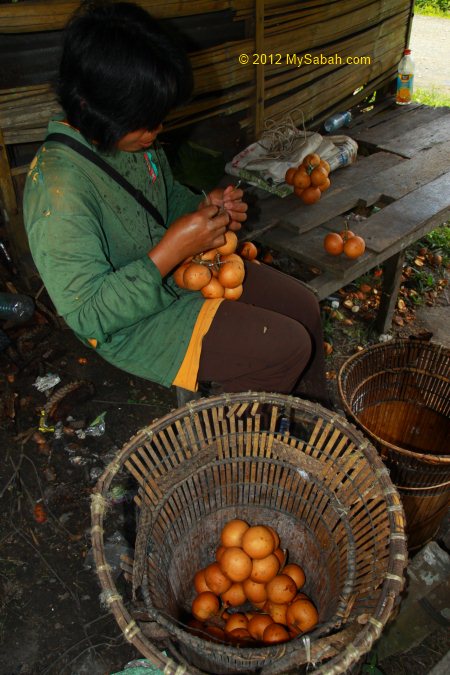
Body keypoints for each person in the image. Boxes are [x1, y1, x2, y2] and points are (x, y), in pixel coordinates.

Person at [24, 1, 329, 405]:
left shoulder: (127, 138)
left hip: (181, 270)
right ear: (90, 105)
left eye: (159, 118)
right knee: (285, 347)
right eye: (146, 121)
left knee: (303, 307)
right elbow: (90, 316)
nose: (157, 131)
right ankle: (236, 455)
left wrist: (206, 210)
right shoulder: (57, 190)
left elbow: (166, 202)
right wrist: (171, 251)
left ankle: (313, 419)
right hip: (134, 322)